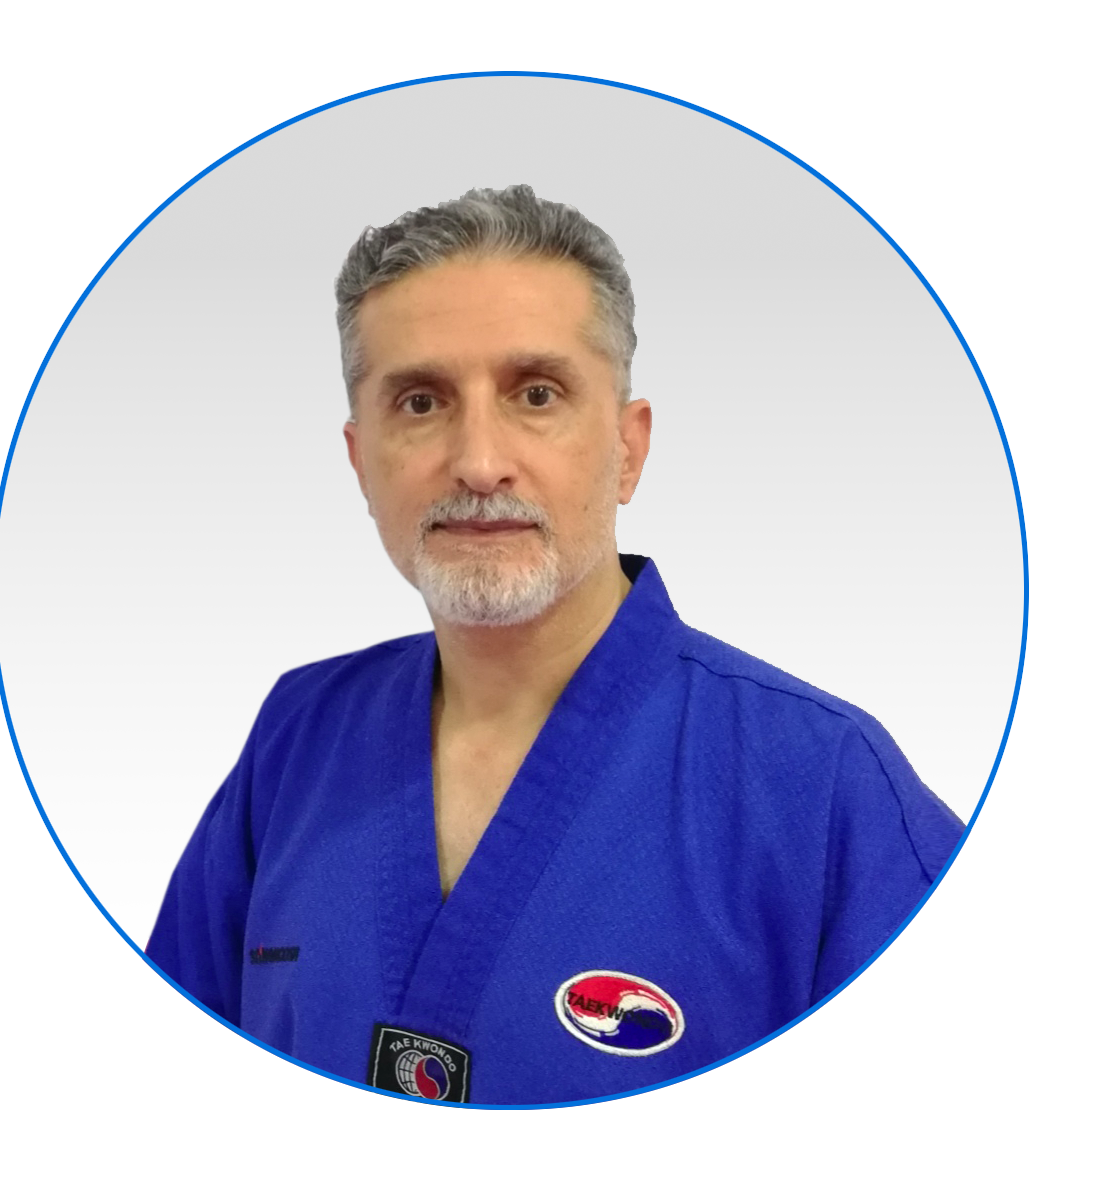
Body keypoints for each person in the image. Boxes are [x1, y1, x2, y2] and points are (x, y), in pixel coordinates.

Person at [146, 185, 965, 1105]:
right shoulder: (297, 737)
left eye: (536, 394)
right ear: (359, 458)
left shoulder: (823, 786)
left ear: (628, 448)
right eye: (419, 402)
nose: (477, 461)